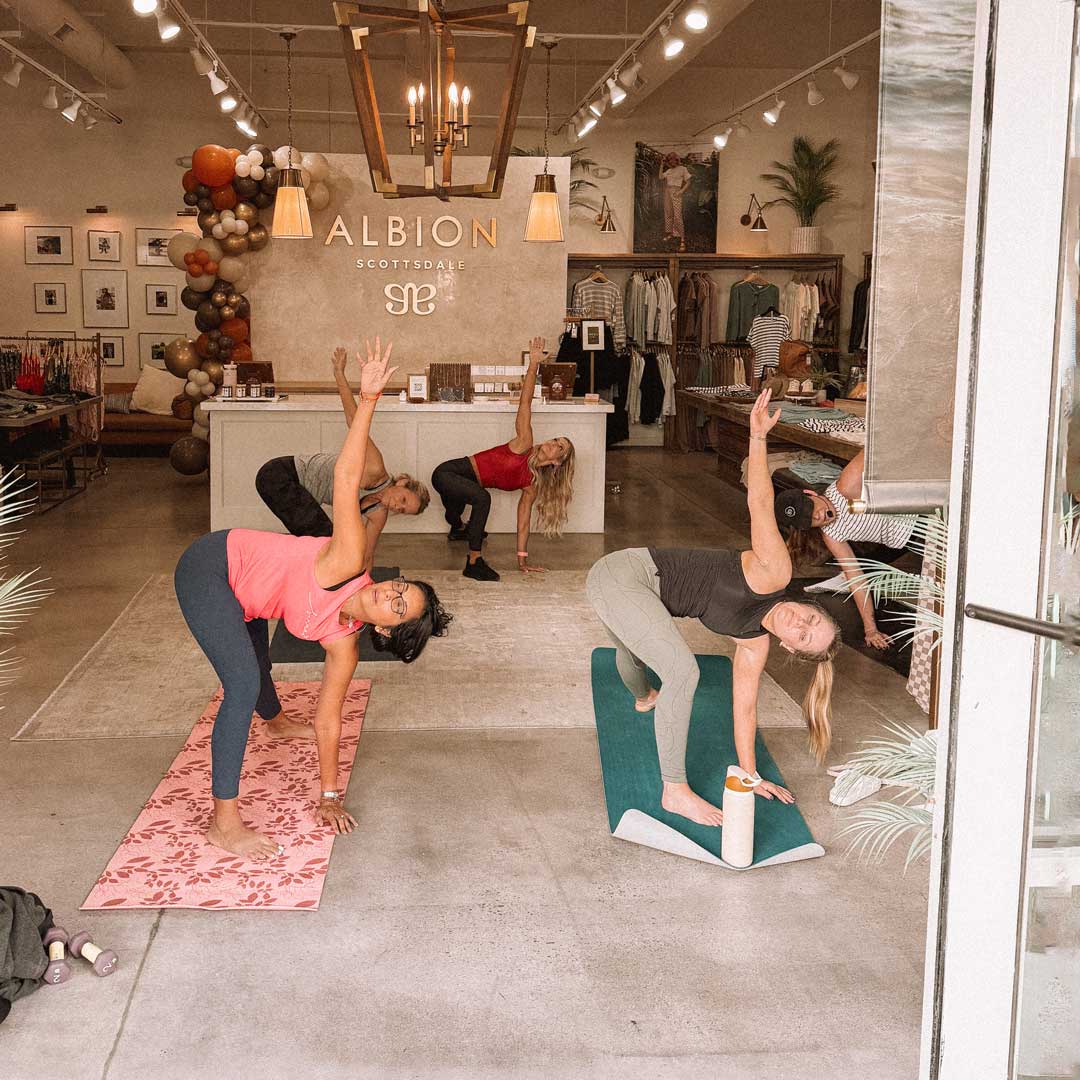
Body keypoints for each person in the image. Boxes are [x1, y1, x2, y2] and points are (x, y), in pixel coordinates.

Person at [174, 339, 452, 860]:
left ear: (386, 630)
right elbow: (346, 478)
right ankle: (224, 823)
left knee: (255, 662)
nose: (391, 591)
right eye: (401, 588)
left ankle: (276, 722)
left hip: (248, 599)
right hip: (210, 566)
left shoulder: (343, 642)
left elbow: (329, 718)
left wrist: (329, 798)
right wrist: (368, 399)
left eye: (398, 606)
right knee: (242, 683)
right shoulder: (348, 563)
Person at [586, 389, 841, 827]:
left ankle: (646, 699)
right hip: (625, 574)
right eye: (811, 618)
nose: (800, 622)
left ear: (790, 648)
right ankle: (674, 791)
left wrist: (749, 775)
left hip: (627, 593)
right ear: (809, 603)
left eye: (803, 636)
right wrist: (757, 437)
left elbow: (745, 710)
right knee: (683, 671)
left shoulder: (755, 645)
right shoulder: (775, 573)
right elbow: (760, 502)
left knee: (634, 657)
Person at [255, 346, 430, 572]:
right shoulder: (375, 467)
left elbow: (366, 554)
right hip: (281, 474)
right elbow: (353, 419)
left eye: (402, 510)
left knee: (327, 545)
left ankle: (293, 575)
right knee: (327, 542)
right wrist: (339, 374)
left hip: (298, 492)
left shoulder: (378, 513)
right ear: (403, 482)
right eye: (403, 499)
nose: (397, 505)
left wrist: (365, 582)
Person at [431, 336, 576, 582]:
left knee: (463, 507)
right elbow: (525, 403)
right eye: (555, 439)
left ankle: (458, 529)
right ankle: (474, 561)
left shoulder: (531, 485)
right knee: (481, 498)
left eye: (559, 447)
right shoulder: (524, 444)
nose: (552, 443)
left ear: (557, 462)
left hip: (464, 486)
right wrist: (534, 364)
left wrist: (522, 560)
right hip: (448, 472)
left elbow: (523, 522)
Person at [774, 448, 918, 649]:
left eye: (811, 507)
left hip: (923, 512)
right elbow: (856, 578)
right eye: (809, 520)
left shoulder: (846, 486)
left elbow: (875, 445)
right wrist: (870, 629)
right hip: (914, 540)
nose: (817, 516)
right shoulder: (832, 535)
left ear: (810, 493)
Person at [659, 152, 691, 250]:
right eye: (669, 160)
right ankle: (670, 233)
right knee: (668, 213)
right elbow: (660, 177)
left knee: (677, 216)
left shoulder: (683, 169)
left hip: (676, 192)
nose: (671, 161)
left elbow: (688, 182)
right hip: (667, 191)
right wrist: (662, 165)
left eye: (673, 159)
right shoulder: (669, 170)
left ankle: (682, 238)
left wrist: (681, 191)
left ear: (677, 160)